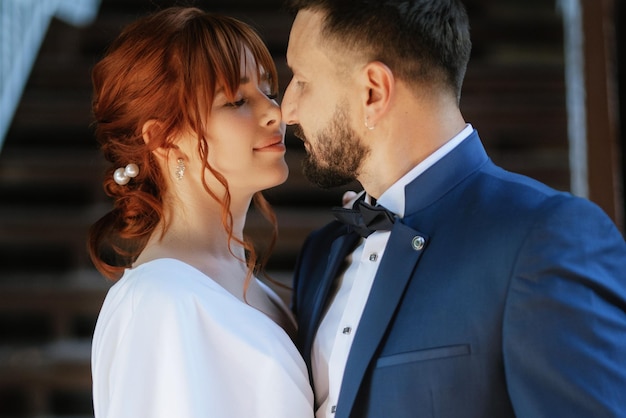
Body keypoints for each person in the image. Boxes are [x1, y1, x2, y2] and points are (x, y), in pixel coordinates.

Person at [280, 1, 626, 417]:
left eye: (301, 80)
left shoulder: (546, 237)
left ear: (373, 91)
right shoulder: (323, 254)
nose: (287, 110)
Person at [88, 7, 314, 418]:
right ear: (164, 138)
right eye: (236, 101)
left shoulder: (236, 281)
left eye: (268, 90)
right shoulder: (158, 302)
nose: (274, 112)